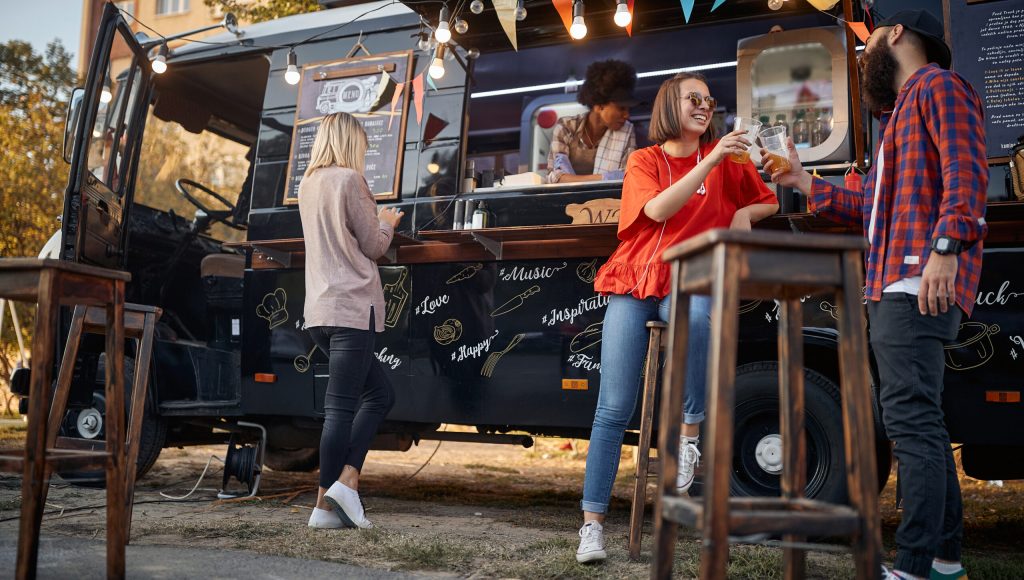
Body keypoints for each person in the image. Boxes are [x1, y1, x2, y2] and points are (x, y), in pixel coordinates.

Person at [761, 11, 986, 580]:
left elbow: (968, 171)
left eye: (869, 41)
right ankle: (942, 561)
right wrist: (804, 183)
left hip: (916, 277)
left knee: (911, 421)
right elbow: (870, 208)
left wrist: (946, 246)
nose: (864, 57)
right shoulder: (898, 116)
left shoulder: (938, 85)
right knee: (920, 421)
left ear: (896, 34)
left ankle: (911, 565)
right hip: (896, 279)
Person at [575, 72, 779, 563]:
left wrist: (746, 215)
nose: (705, 106)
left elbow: (768, 198)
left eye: (709, 100)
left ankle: (690, 434)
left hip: (690, 277)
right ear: (671, 104)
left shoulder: (731, 161)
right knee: (613, 407)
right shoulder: (646, 159)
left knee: (699, 313)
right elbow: (660, 209)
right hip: (637, 277)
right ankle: (592, 525)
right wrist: (710, 158)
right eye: (695, 98)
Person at [298, 112, 405, 530]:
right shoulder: (350, 180)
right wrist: (389, 223)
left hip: (319, 311)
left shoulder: (308, 185)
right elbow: (374, 246)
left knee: (378, 396)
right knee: (342, 408)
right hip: (351, 309)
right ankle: (326, 505)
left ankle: (345, 481)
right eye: (362, 143)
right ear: (349, 142)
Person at [546, 59, 638, 183]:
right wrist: (607, 178)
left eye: (628, 109)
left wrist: (571, 180)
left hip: (609, 201)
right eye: (621, 108)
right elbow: (555, 177)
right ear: (599, 106)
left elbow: (628, 176)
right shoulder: (566, 127)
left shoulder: (627, 131)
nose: (627, 115)